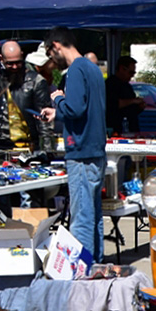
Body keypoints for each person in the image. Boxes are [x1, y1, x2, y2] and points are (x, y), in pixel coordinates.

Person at [40, 27, 106, 262]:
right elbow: (84, 109)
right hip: (95, 150)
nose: (52, 60)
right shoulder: (92, 68)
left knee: (82, 217)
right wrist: (57, 113)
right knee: (94, 214)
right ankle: (95, 264)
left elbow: (75, 108)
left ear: (56, 45)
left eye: (50, 54)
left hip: (81, 151)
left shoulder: (76, 69)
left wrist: (58, 98)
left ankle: (83, 271)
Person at [0, 40, 53, 154]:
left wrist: (47, 152)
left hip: (29, 147)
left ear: (22, 56)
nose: (14, 67)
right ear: (1, 59)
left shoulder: (36, 81)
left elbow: (44, 120)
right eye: (10, 63)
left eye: (18, 62)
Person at [106, 55, 146, 135]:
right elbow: (112, 104)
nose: (132, 75)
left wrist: (139, 106)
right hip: (116, 128)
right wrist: (133, 101)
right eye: (131, 72)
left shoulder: (127, 86)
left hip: (131, 128)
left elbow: (132, 109)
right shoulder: (110, 84)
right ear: (122, 69)